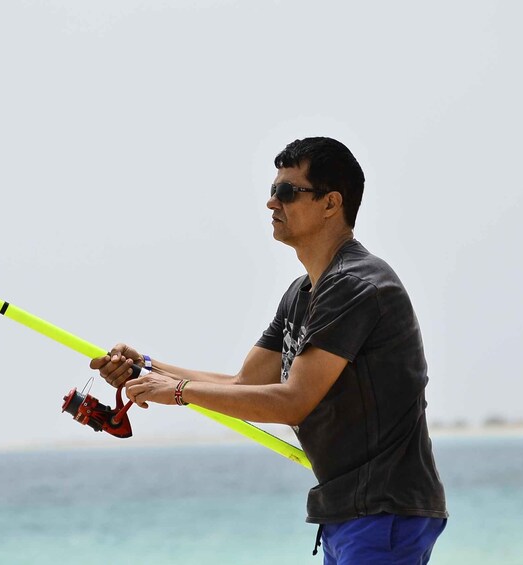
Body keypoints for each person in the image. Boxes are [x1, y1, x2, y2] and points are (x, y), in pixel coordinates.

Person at [90, 137, 448, 563]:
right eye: (273, 190)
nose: (271, 203)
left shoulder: (355, 285)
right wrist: (145, 368)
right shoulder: (303, 293)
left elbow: (292, 401)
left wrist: (178, 390)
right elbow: (247, 384)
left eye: (287, 192)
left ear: (331, 203)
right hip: (348, 512)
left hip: (383, 511)